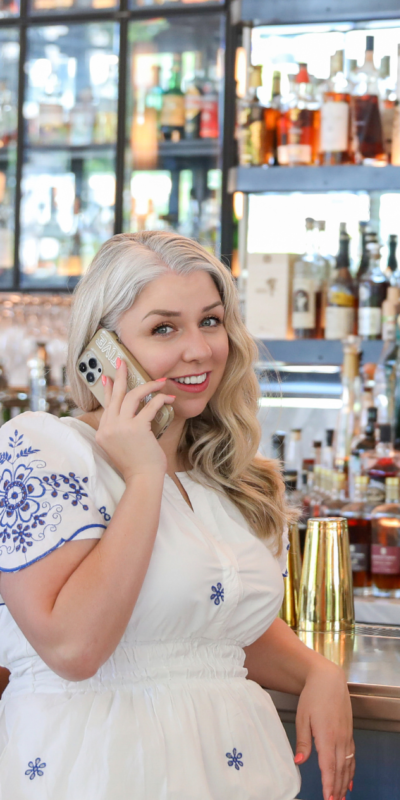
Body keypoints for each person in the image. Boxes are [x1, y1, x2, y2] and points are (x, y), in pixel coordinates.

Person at [0, 231, 354, 800]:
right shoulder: (41, 451)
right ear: (103, 349)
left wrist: (318, 671)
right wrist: (143, 478)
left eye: (211, 321)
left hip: (238, 773)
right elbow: (72, 648)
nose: (199, 349)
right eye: (164, 328)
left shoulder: (231, 472)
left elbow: (207, 625)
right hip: (99, 772)